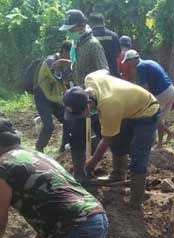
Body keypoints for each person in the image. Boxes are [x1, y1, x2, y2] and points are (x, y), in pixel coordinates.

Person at [63, 70, 159, 208]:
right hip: (127, 107)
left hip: (147, 110)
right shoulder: (90, 78)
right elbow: (104, 71)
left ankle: (136, 202)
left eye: (80, 113)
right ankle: (118, 175)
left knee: (138, 154)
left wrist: (91, 163)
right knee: (118, 140)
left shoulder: (109, 105)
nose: (80, 117)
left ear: (88, 103)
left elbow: (106, 140)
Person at [60, 9, 109, 184]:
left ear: (81, 26)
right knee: (78, 138)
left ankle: (101, 167)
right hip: (79, 100)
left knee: (103, 136)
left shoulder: (93, 45)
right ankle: (81, 174)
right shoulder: (76, 45)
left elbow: (104, 70)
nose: (70, 32)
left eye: (72, 28)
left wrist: (91, 92)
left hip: (92, 102)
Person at [122, 50, 174, 149]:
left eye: (128, 62)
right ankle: (168, 134)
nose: (128, 65)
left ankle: (159, 144)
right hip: (171, 90)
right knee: (159, 118)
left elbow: (145, 89)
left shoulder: (140, 67)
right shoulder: (148, 62)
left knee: (154, 117)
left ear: (134, 59)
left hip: (162, 93)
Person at [34, 41, 72, 153]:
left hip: (55, 97)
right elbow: (55, 70)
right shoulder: (50, 61)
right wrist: (71, 62)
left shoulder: (64, 65)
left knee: (68, 120)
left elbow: (64, 82)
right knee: (48, 125)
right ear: (65, 52)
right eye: (72, 54)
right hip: (42, 96)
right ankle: (39, 148)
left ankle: (64, 147)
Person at [89, 13, 120, 78]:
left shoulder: (89, 37)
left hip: (96, 75)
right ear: (103, 22)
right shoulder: (113, 35)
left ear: (91, 23)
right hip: (112, 73)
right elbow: (118, 56)